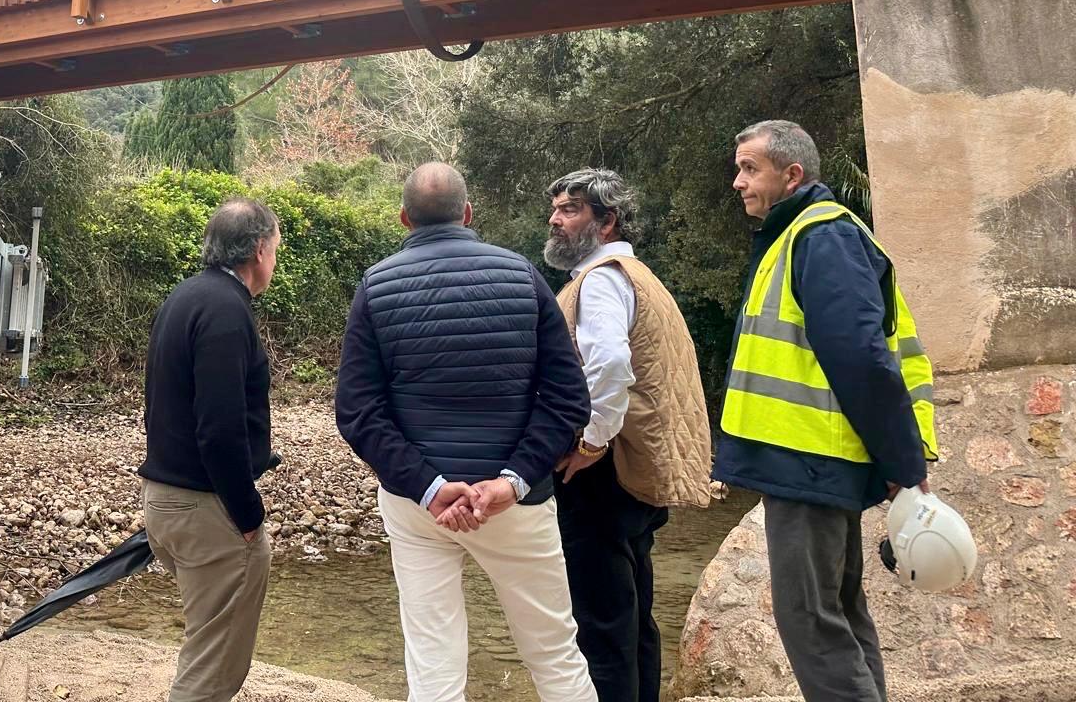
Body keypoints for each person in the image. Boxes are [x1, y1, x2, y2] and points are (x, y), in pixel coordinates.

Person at [336, 162, 597, 702]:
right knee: (554, 652)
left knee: (433, 661)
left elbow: (359, 412)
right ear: (468, 213)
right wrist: (513, 480)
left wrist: (428, 486)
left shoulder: (376, 286)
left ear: (404, 218)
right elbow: (570, 399)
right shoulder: (523, 275)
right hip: (513, 502)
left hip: (419, 506)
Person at [715, 120, 937, 702]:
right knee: (835, 609)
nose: (737, 182)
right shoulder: (803, 235)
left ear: (792, 175)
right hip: (811, 457)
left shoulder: (819, 236)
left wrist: (904, 468)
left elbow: (862, 360)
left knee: (809, 619)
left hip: (809, 459)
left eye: (749, 168)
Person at [544, 168, 711, 702]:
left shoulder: (602, 280)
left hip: (604, 471)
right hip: (633, 467)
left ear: (606, 220)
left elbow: (610, 366)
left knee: (602, 623)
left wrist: (591, 441)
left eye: (570, 209)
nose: (555, 219)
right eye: (556, 208)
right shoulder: (638, 275)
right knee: (633, 613)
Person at [138, 198, 282, 702]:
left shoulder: (186, 296)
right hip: (205, 507)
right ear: (259, 249)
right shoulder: (225, 309)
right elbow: (218, 427)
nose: (275, 259)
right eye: (276, 249)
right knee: (211, 671)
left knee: (205, 641)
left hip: (165, 499)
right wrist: (248, 513)